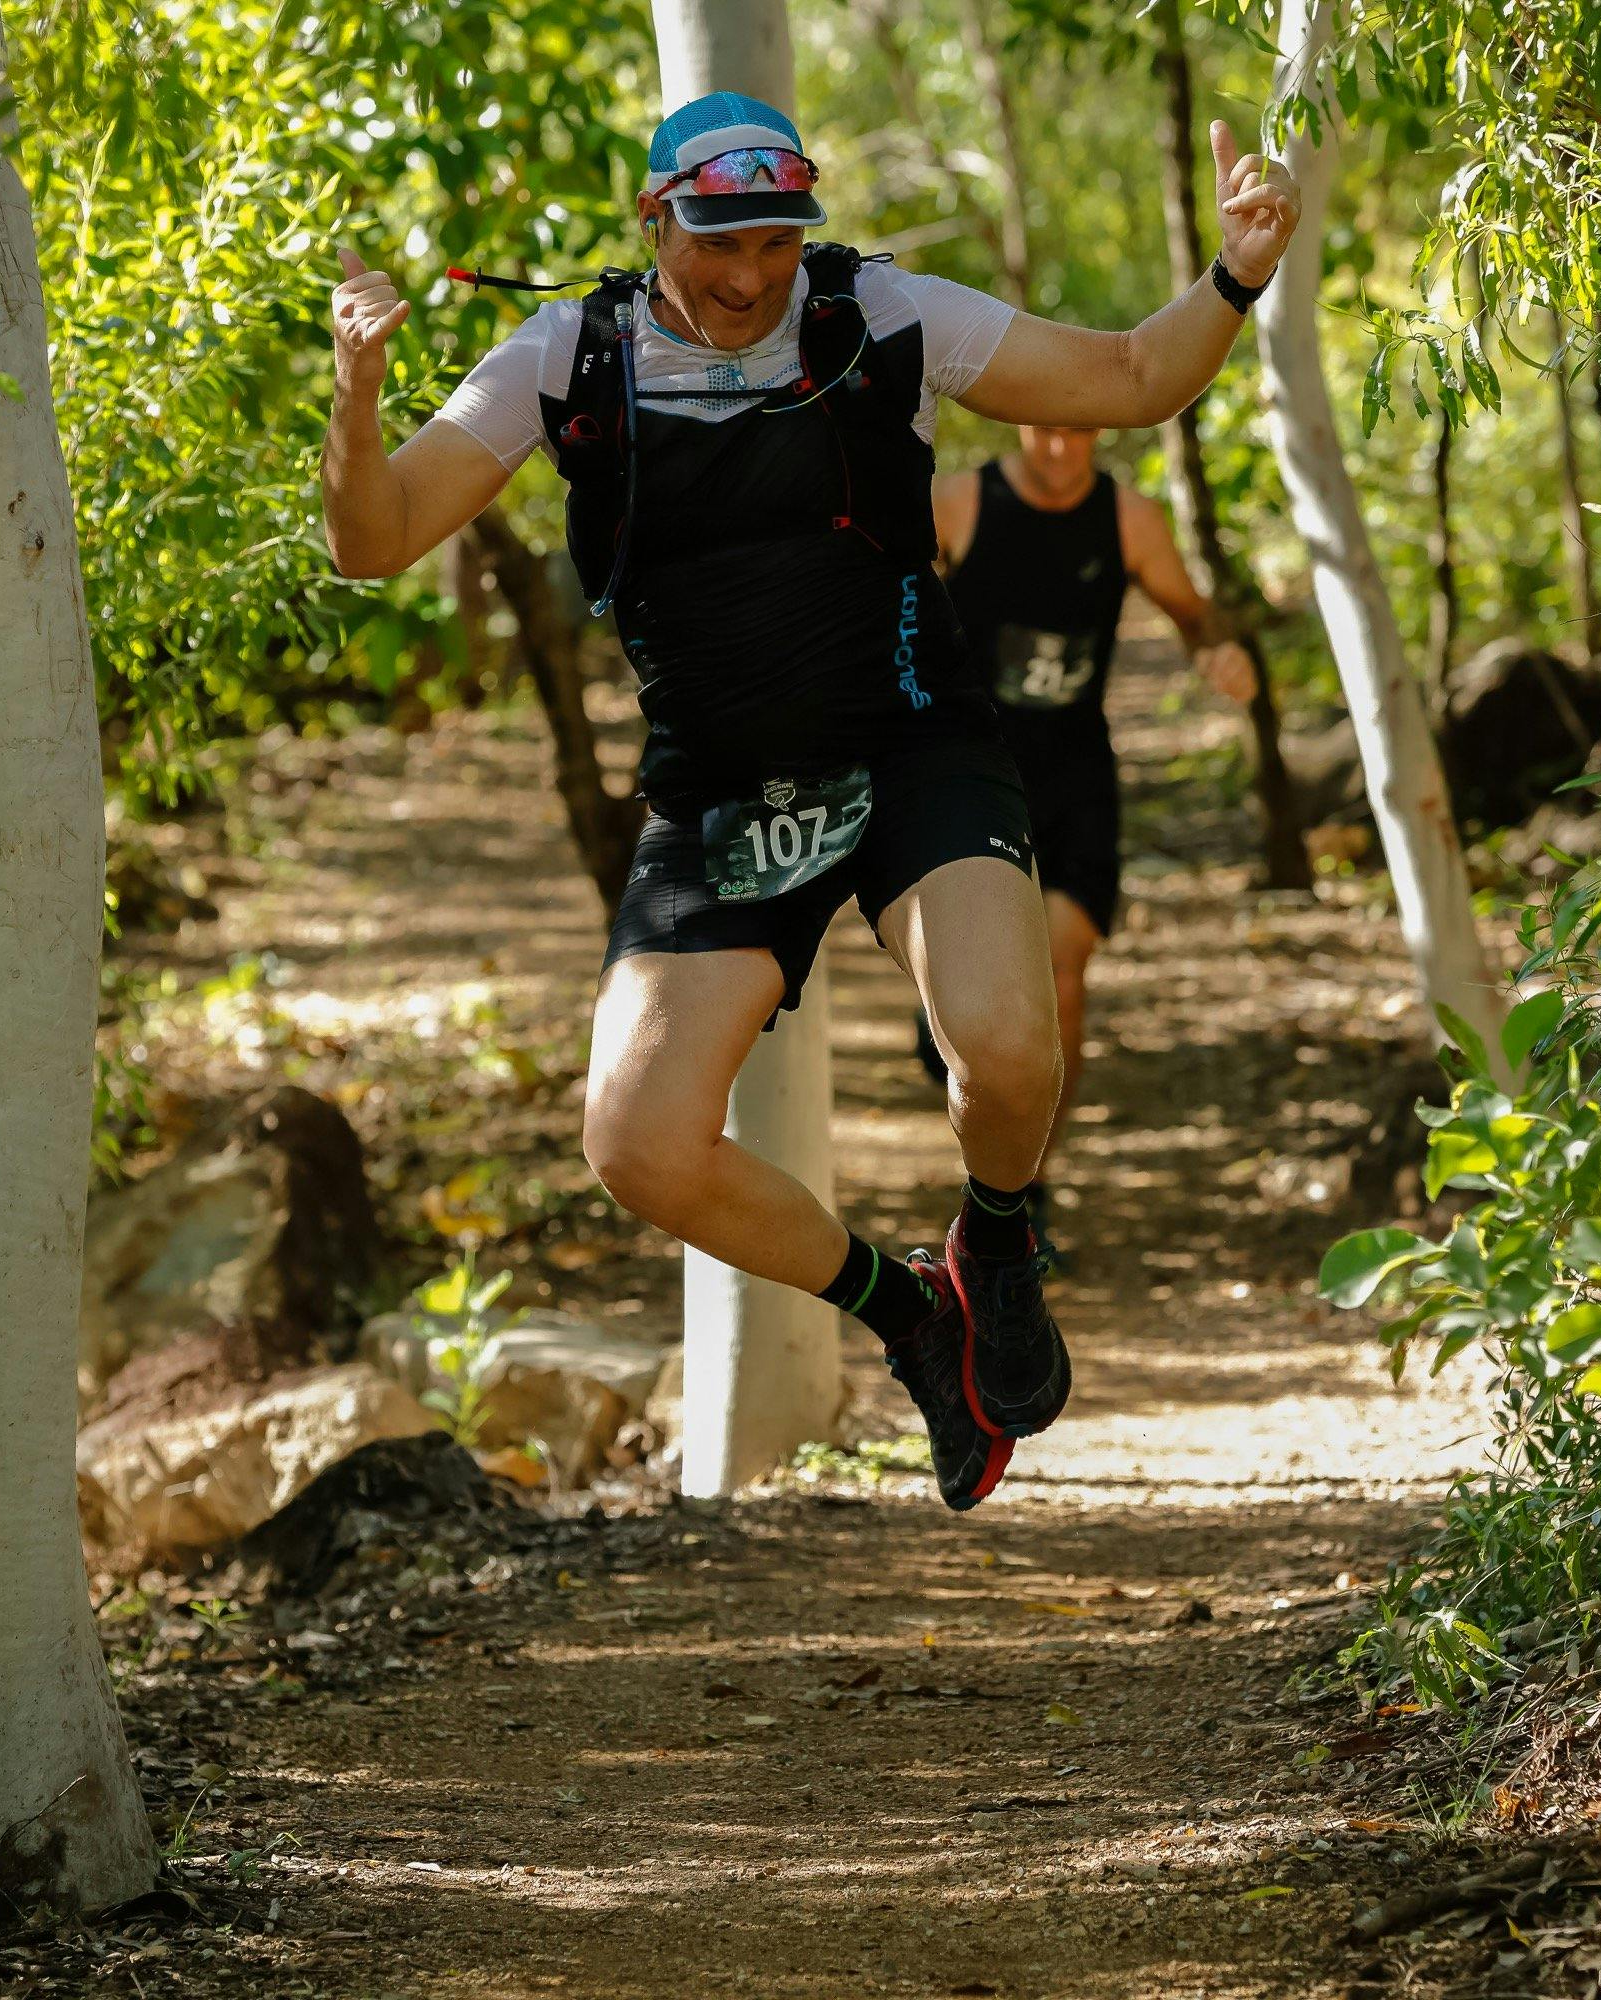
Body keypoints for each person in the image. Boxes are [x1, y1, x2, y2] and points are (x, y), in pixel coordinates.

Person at [321, 91, 1298, 1512]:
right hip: (723, 793)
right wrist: (358, 405)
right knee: (638, 1143)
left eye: (777, 242)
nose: (749, 275)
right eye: (720, 240)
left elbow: (1135, 375)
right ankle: (910, 1314)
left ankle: (998, 1243)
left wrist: (1239, 273)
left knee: (1013, 1059)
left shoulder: (881, 316)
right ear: (655, 219)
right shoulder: (566, 357)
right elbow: (376, 538)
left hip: (910, 744)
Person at [922, 428, 1258, 1265]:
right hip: (969, 774)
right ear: (1019, 425)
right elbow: (888, 607)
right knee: (969, 1004)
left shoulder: (1130, 520)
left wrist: (1215, 648)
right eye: (1046, 426)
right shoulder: (960, 505)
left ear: (1101, 431)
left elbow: (1190, 610)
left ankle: (1021, 1196)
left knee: (1061, 976)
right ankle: (959, 1043)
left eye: (1080, 429)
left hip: (1074, 780)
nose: (1063, 446)